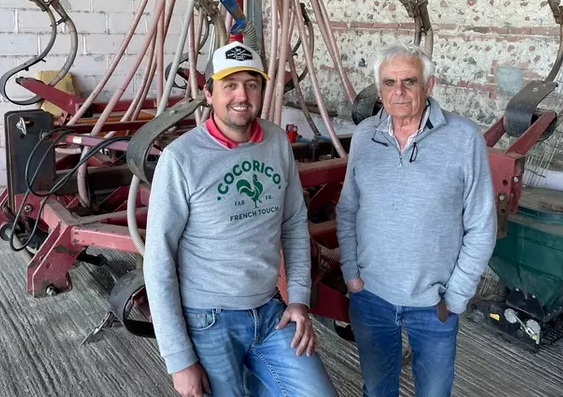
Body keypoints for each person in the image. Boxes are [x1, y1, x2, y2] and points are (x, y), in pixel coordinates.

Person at [143, 41, 337, 397]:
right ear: (208, 92)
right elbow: (158, 260)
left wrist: (298, 299)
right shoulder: (181, 159)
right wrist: (180, 360)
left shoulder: (276, 141)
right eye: (229, 84)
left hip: (270, 311)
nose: (241, 95)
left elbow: (293, 223)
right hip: (208, 319)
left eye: (251, 83)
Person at [336, 43, 496, 397]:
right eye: (389, 83)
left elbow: (482, 225)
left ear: (430, 84)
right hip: (371, 298)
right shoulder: (365, 136)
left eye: (409, 81)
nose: (399, 92)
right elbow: (348, 210)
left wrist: (456, 296)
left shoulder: (464, 138)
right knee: (377, 390)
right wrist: (351, 275)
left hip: (434, 304)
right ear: (379, 90)